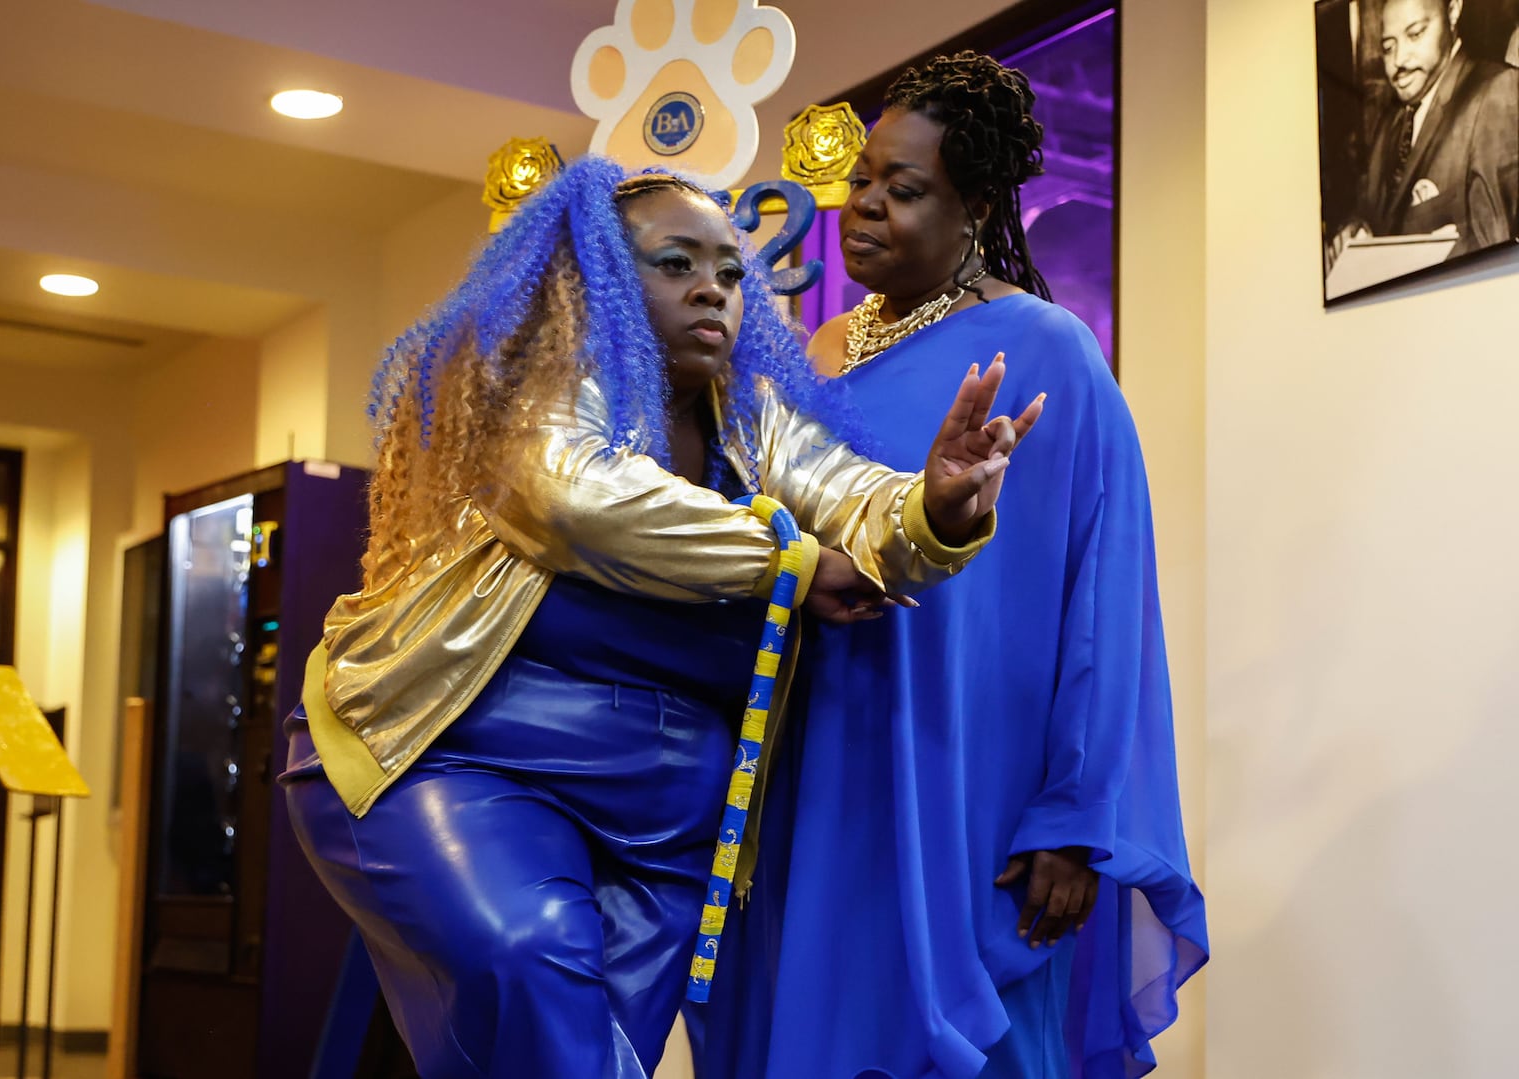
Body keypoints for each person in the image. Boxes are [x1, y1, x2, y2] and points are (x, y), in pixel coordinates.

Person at [277, 155, 1042, 1079]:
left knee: (590, 1057)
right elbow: (574, 498)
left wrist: (941, 504)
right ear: (593, 274)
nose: (711, 289)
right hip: (451, 755)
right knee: (532, 953)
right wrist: (790, 561)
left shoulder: (750, 416)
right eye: (676, 264)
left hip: (664, 816)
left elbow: (855, 502)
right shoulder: (532, 383)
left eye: (728, 271)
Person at [692, 52, 1207, 1079]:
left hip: (968, 778)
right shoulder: (811, 353)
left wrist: (1076, 815)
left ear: (974, 203)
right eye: (863, 182)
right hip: (813, 758)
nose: (866, 206)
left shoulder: (1045, 349)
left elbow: (1102, 600)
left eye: (904, 188)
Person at [1330, 0, 1518, 266]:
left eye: (1415, 34)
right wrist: (1354, 229)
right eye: (1388, 47)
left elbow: (1498, 249)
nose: (1398, 61)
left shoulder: (1495, 92)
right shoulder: (1390, 122)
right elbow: (1368, 210)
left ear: (1453, 11)